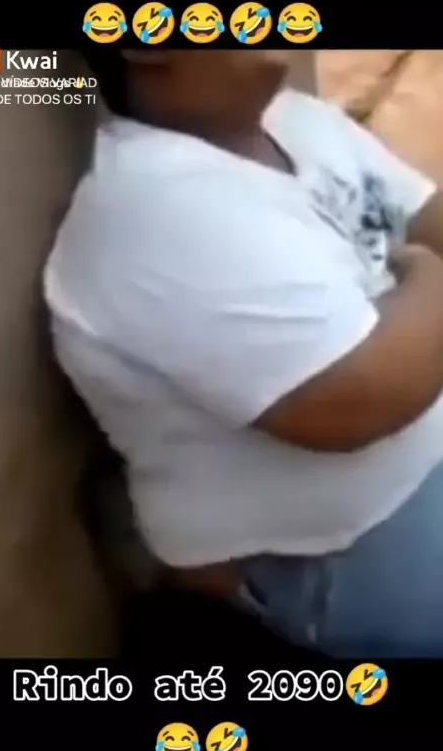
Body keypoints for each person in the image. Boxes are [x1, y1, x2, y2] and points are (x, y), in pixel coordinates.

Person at [44, 48, 443, 658]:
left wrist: (420, 299)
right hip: (340, 554)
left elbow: (428, 220)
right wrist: (430, 279)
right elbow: (361, 400)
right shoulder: (157, 207)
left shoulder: (296, 119)